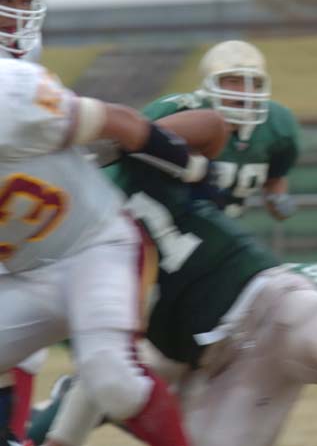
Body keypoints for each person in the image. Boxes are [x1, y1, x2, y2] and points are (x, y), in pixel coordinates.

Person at [29, 111, 317, 446]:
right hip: (216, 364)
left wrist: (130, 140)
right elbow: (104, 359)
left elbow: (212, 126)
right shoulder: (67, 251)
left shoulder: (130, 165)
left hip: (267, 297)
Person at [0, 58, 218, 446]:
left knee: (111, 375)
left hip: (95, 246)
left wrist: (192, 169)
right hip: (24, 274)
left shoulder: (11, 96)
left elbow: (120, 122)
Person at [143, 39, 301, 220]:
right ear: (210, 84)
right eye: (233, 81)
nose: (244, 92)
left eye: (253, 83)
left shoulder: (279, 124)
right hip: (164, 219)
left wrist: (277, 198)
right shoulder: (180, 109)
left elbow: (274, 178)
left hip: (222, 223)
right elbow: (134, 145)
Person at [0, 0, 49, 440]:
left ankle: (15, 432)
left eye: (23, 1)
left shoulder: (26, 53)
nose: (20, 14)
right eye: (8, 2)